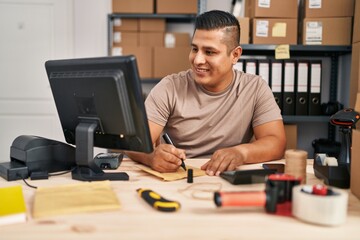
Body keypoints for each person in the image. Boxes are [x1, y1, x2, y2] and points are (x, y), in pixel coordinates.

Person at [126, 10, 286, 176]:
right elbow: (134, 143)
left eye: (209, 52)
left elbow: (276, 142)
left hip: (229, 177)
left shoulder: (255, 88)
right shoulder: (170, 87)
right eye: (195, 49)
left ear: (235, 55)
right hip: (180, 177)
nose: (197, 60)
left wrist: (240, 153)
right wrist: (152, 157)